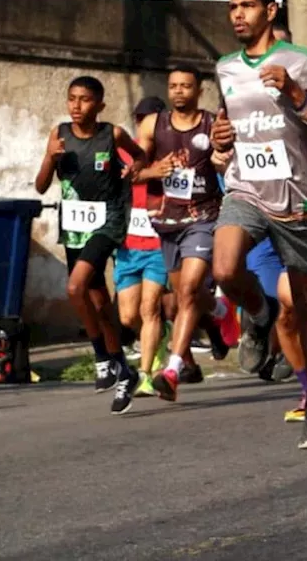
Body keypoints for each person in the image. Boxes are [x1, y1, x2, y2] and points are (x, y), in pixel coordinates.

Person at [209, 0, 307, 448]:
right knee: (225, 267)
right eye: (233, 7)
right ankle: (259, 311)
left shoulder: (300, 61)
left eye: (247, 5)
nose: (238, 15)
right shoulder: (225, 68)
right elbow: (227, 132)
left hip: (298, 199)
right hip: (246, 188)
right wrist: (220, 145)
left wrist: (294, 94)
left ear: (271, 11)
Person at [35, 75, 146, 414]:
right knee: (97, 302)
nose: (76, 106)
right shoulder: (59, 135)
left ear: (99, 105)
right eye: (72, 98)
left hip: (107, 221)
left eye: (84, 99)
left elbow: (139, 156)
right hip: (74, 224)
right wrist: (50, 159)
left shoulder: (111, 134)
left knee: (74, 287)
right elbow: (41, 187)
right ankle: (124, 370)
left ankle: (100, 355)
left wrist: (135, 170)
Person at [133, 66, 224, 401]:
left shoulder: (213, 124)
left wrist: (223, 158)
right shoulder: (151, 125)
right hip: (166, 221)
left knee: (187, 290)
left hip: (204, 217)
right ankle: (214, 312)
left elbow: (230, 161)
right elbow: (134, 172)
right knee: (179, 299)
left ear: (199, 91)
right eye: (174, 86)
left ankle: (171, 370)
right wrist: (155, 170)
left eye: (186, 86)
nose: (179, 92)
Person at [113, 97, 171, 398]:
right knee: (128, 317)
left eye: (155, 119)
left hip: (157, 244)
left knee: (150, 309)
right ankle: (158, 339)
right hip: (127, 245)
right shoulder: (125, 152)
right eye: (142, 119)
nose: (148, 125)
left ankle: (146, 375)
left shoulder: (172, 152)